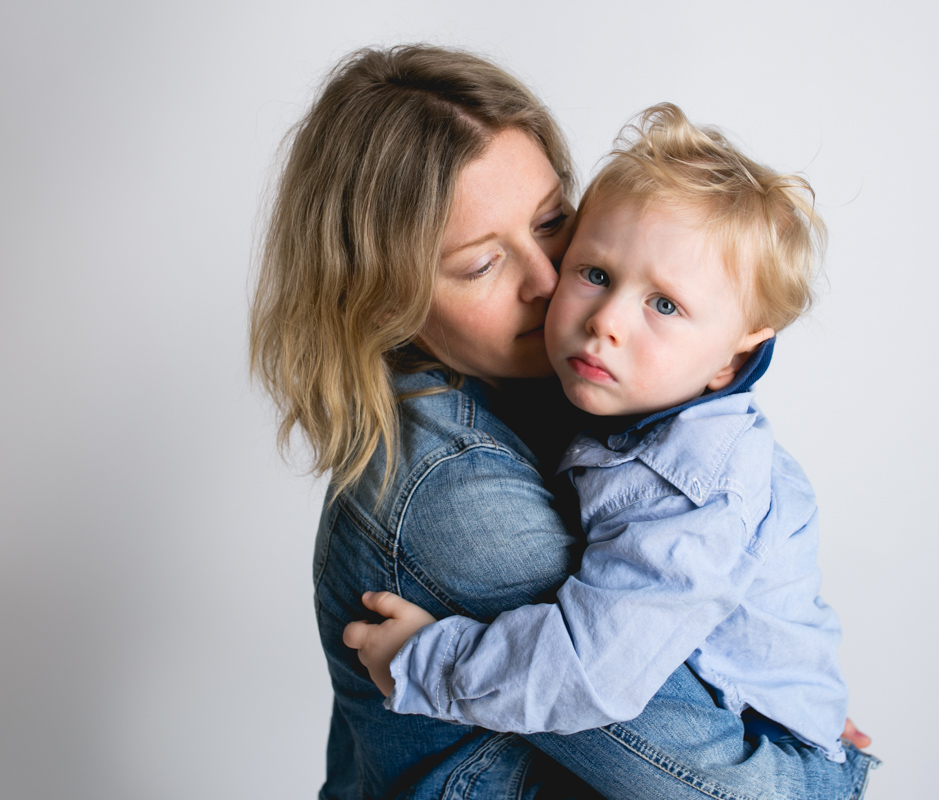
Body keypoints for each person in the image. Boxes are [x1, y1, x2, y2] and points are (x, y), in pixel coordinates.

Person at [251, 44, 873, 800]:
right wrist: (824, 773)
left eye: (553, 222)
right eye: (483, 264)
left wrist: (787, 696)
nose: (551, 284)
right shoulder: (456, 488)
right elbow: (712, 782)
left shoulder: (601, 410)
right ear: (386, 302)